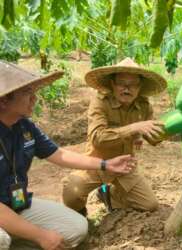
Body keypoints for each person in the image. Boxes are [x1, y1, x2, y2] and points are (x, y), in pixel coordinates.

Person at [0, 60, 135, 250]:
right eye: (27, 93)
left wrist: (105, 164)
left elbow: (58, 154)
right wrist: (40, 235)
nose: (34, 98)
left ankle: (18, 238)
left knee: (76, 228)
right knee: (1, 240)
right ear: (4, 100)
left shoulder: (24, 126)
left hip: (15, 204)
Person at [62, 58, 167, 215]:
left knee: (149, 205)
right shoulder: (100, 103)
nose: (127, 89)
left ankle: (109, 195)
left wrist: (163, 131)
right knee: (72, 192)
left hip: (125, 166)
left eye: (133, 85)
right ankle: (80, 214)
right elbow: (98, 138)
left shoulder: (144, 106)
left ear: (140, 87)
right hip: (98, 163)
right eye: (121, 83)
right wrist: (133, 128)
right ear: (112, 84)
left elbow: (152, 137)